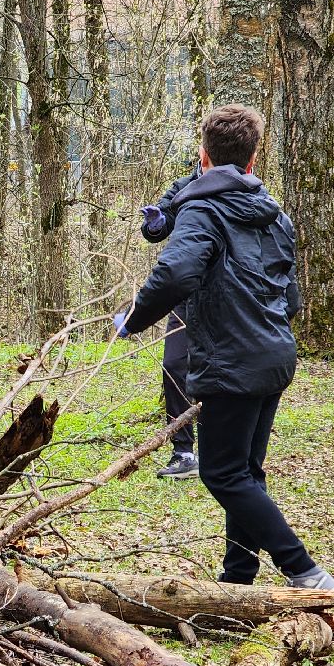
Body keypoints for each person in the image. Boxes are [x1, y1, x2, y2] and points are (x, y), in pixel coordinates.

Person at [114, 104, 334, 590]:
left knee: (221, 474)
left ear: (204, 156)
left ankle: (304, 570)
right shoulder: (273, 213)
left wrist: (133, 320)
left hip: (234, 360)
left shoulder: (202, 209)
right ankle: (238, 580)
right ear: (253, 159)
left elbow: (176, 273)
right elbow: (290, 294)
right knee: (245, 472)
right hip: (274, 354)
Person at [140, 162, 201, 478]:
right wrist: (155, 224)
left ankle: (223, 446)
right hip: (185, 294)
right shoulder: (184, 187)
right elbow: (159, 228)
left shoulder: (245, 190)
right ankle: (184, 451)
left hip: (227, 297)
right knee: (175, 364)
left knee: (220, 368)